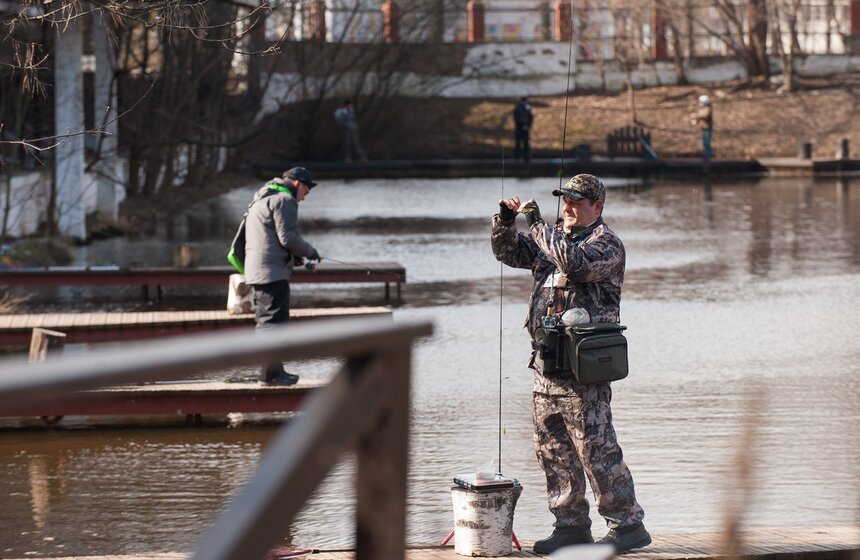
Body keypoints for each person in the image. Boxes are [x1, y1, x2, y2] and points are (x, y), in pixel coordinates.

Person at [491, 174, 649, 555]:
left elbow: (574, 264)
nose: (568, 207)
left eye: (577, 201)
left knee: (596, 449)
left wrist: (539, 224)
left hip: (585, 369)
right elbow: (510, 253)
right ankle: (570, 525)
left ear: (597, 206)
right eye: (565, 200)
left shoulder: (606, 245)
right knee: (551, 448)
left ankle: (628, 525)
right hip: (547, 365)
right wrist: (505, 223)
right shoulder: (552, 241)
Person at [244, 166, 321, 385]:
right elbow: (288, 238)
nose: (304, 197)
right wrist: (310, 251)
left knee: (267, 323)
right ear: (298, 183)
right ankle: (271, 375)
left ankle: (272, 371)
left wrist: (293, 258)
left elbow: (270, 238)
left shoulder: (264, 196)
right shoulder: (285, 200)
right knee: (274, 324)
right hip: (271, 273)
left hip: (258, 269)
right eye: (306, 191)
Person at [689, 94, 713, 161]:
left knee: (707, 143)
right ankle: (706, 156)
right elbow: (700, 117)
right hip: (703, 128)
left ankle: (708, 157)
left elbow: (704, 115)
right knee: (705, 143)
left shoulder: (708, 108)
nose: (699, 104)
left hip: (707, 128)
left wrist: (695, 115)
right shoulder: (701, 109)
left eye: (701, 102)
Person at [513, 96, 533, 162]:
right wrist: (522, 125)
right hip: (519, 129)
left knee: (526, 144)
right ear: (521, 101)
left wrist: (528, 125)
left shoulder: (528, 108)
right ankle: (517, 158)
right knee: (518, 144)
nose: (526, 103)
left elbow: (530, 117)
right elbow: (516, 119)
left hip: (526, 129)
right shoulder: (517, 109)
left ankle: (526, 158)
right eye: (525, 101)